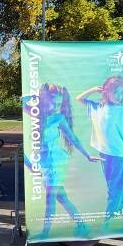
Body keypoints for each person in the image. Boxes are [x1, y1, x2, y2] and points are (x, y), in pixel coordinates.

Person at [24, 83, 100, 237]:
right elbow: (22, 102)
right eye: (54, 102)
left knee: (50, 197)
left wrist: (87, 155)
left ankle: (45, 233)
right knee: (61, 196)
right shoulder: (36, 114)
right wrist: (34, 97)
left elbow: (73, 139)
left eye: (60, 103)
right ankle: (82, 225)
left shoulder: (58, 118)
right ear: (45, 99)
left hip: (56, 161)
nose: (57, 106)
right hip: (45, 162)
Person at [76, 76, 123, 223]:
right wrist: (93, 89)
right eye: (116, 92)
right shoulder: (97, 107)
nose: (119, 96)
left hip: (117, 155)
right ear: (106, 91)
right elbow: (79, 98)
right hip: (104, 154)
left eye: (122, 93)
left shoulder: (121, 112)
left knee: (114, 190)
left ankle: (107, 221)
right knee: (116, 187)